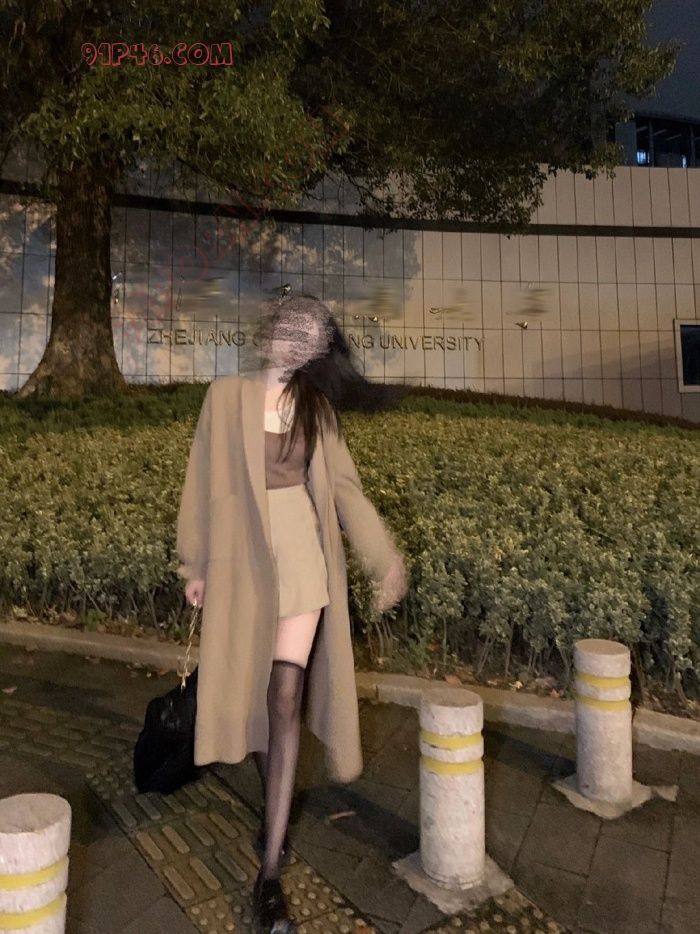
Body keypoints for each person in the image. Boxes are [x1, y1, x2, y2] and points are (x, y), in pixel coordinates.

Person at [179, 293, 409, 933]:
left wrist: (383, 558)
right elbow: (200, 480)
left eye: (306, 333)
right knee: (260, 698)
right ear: (271, 331)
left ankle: (270, 870)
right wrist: (195, 564)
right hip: (241, 565)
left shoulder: (317, 410)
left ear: (314, 350)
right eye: (288, 326)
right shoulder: (225, 398)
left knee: (285, 695)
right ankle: (275, 802)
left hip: (302, 562)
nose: (292, 338)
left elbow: (344, 490)